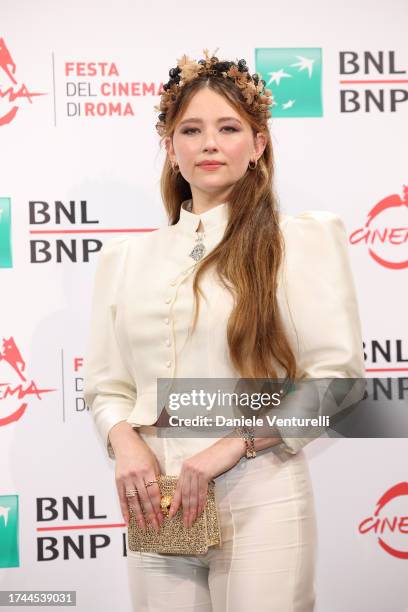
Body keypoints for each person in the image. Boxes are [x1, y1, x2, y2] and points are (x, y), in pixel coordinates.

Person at [83, 49, 365, 611]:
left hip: (261, 493)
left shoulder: (298, 241)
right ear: (170, 147)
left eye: (229, 127)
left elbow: (339, 382)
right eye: (191, 129)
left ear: (258, 145)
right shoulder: (125, 258)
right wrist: (126, 442)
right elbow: (107, 387)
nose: (209, 143)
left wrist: (229, 449)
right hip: (156, 500)